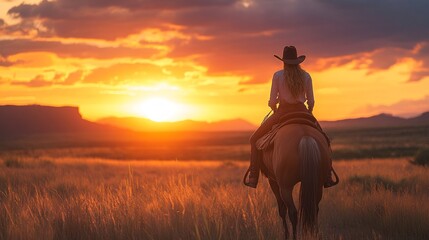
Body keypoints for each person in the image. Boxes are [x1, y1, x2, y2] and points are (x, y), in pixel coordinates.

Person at [244, 46, 336, 188]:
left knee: (254, 139)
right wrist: (309, 111)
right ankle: (328, 175)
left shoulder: (278, 75)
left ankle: (253, 176)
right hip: (303, 111)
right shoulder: (306, 76)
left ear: (284, 62)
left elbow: (273, 101)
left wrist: (273, 106)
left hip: (283, 112)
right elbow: (311, 101)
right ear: (298, 61)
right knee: (325, 139)